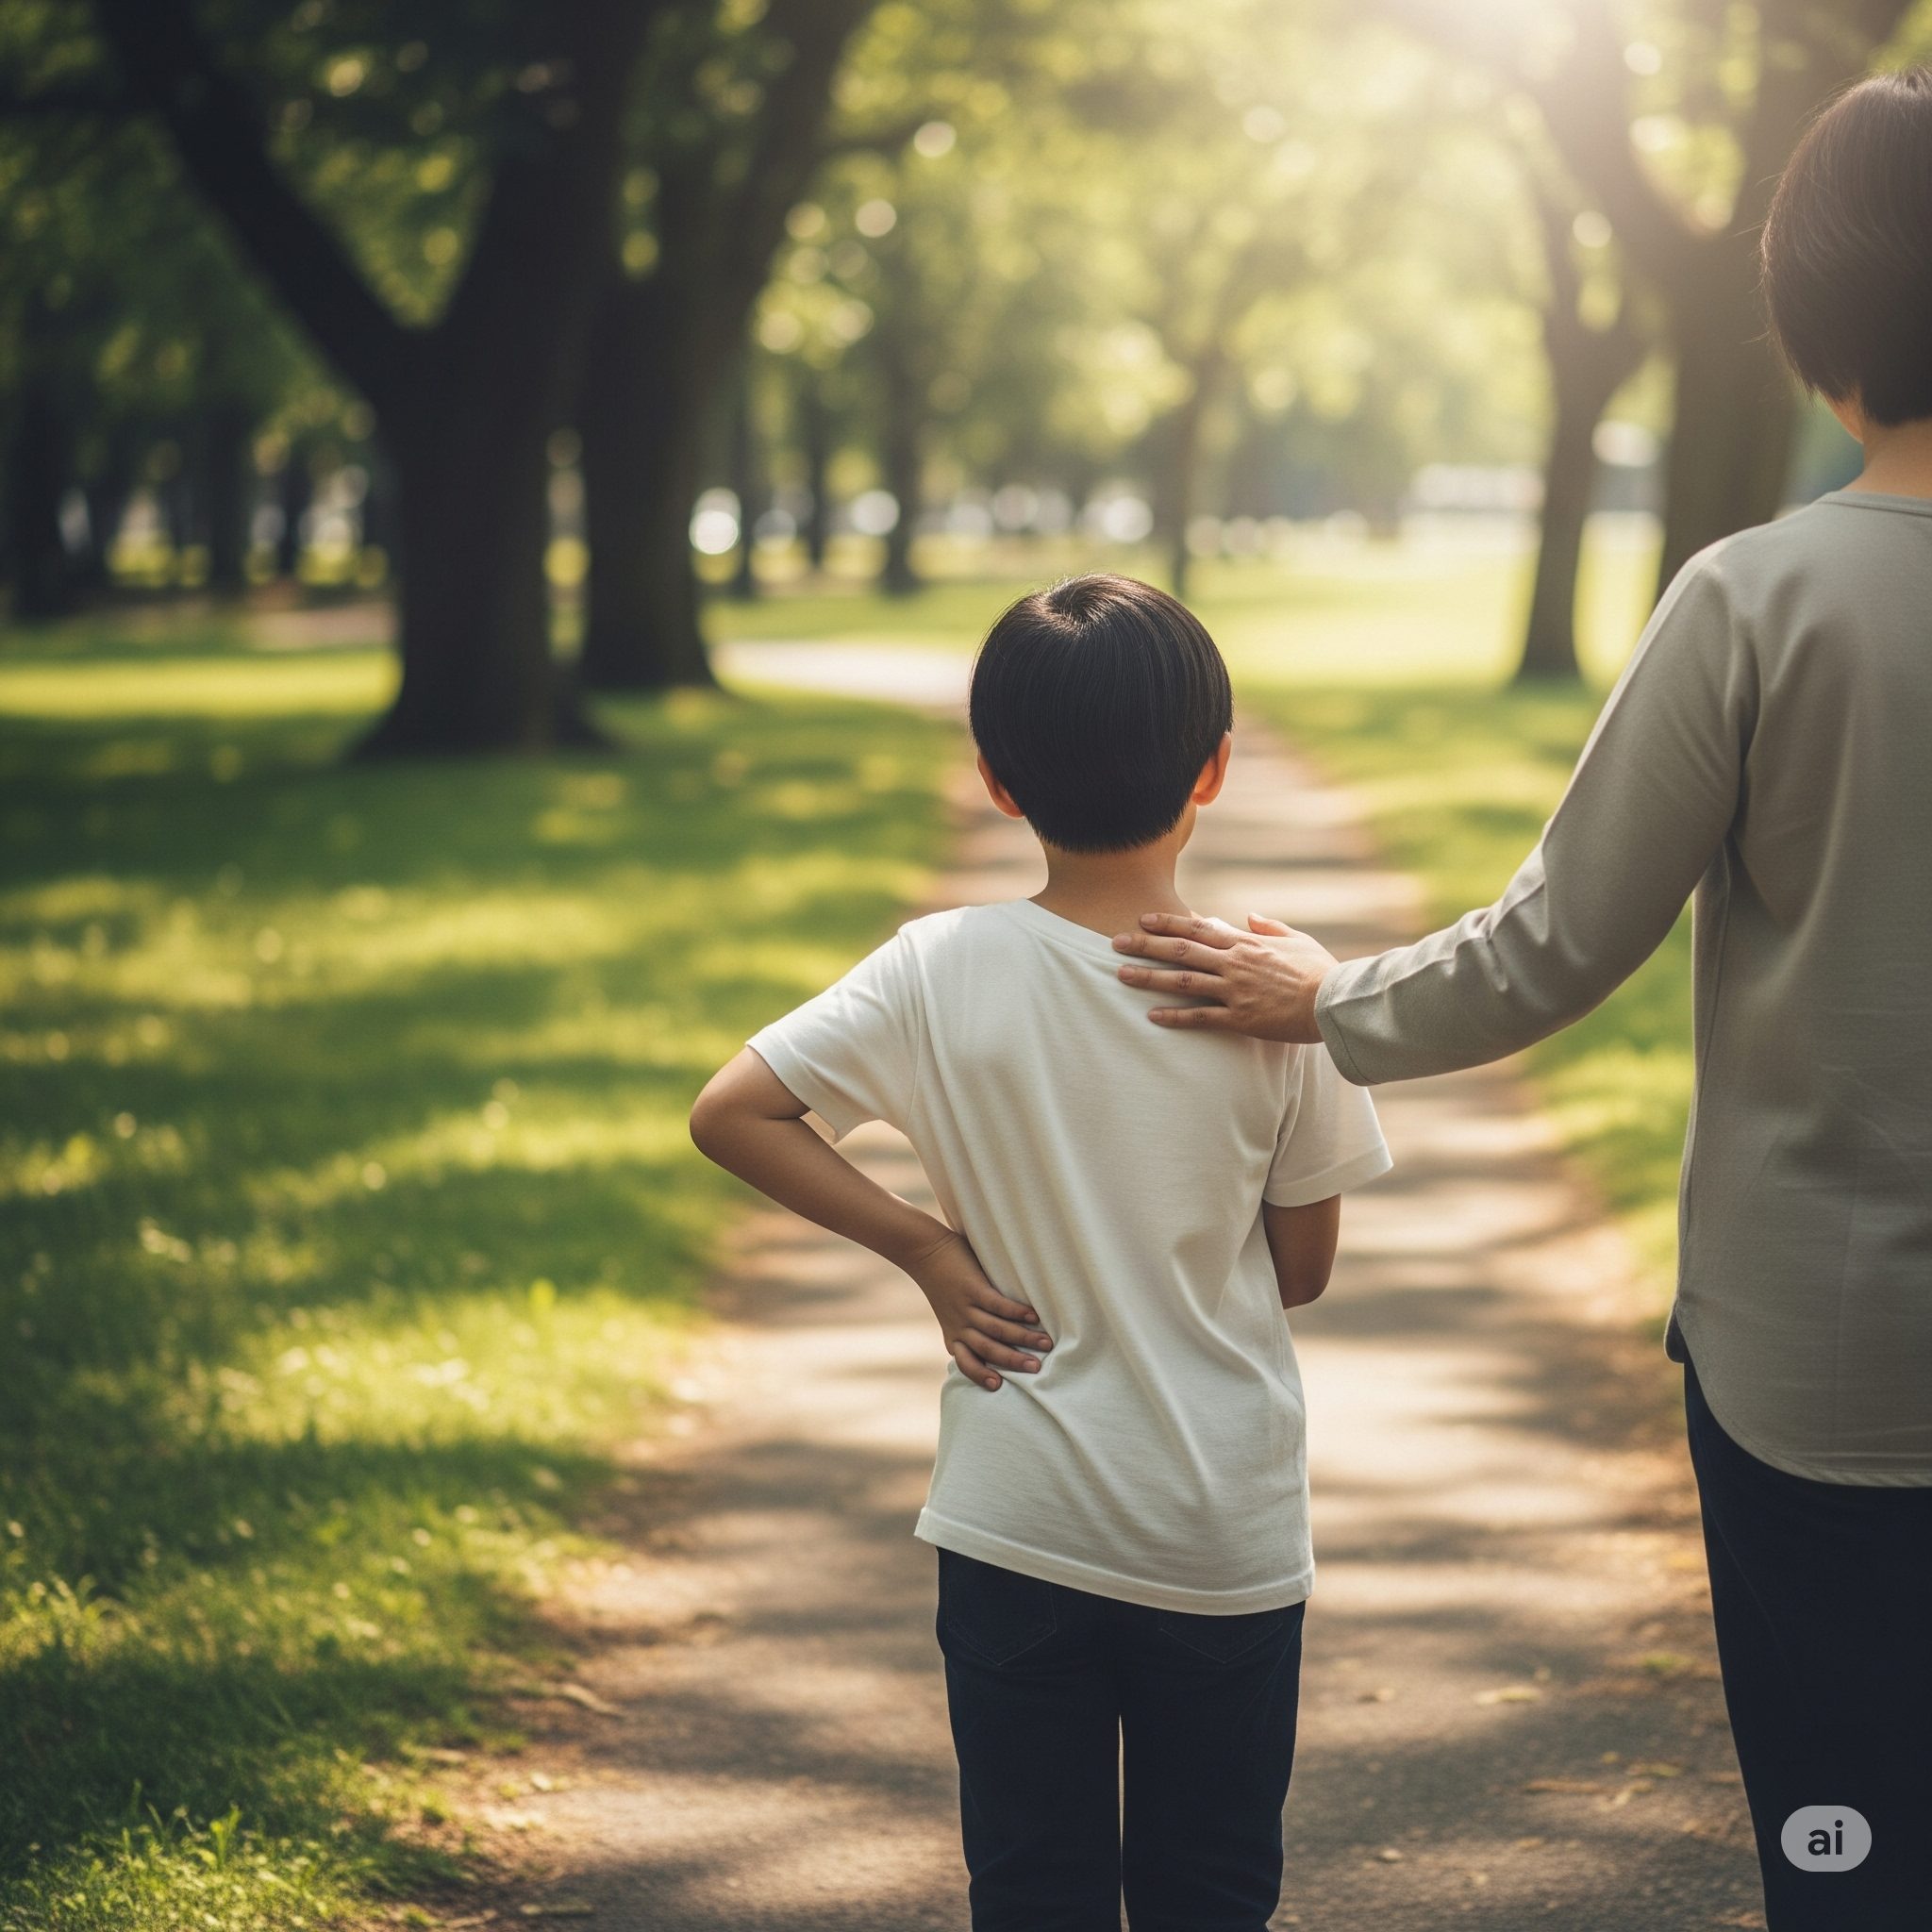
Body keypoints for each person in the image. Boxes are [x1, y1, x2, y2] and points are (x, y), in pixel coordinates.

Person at [1111, 69, 1932, 1932]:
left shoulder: (1754, 602)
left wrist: (1323, 999)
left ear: (1810, 312)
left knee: (1852, 1838)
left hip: (1817, 1359)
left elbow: (1555, 945)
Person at [691, 575, 1391, 1932]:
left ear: (998, 783)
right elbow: (1301, 1270)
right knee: (1214, 1888)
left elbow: (734, 1114)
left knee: (1031, 1888)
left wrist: (926, 1251)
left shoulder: (937, 966)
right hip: (1217, 1532)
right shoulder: (1274, 989)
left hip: (1015, 1523)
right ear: (1217, 770)